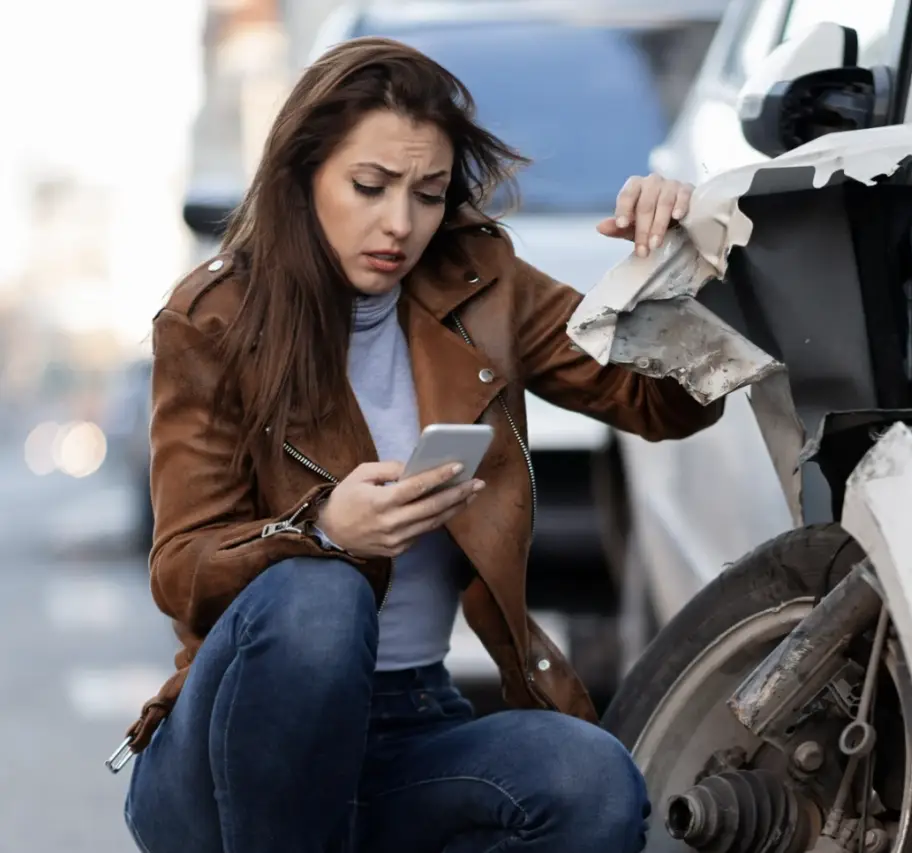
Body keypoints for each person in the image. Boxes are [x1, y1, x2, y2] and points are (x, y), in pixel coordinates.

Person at [120, 36, 724, 853]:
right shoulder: (214, 317)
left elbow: (663, 404)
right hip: (229, 751)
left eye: (429, 193)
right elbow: (181, 567)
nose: (399, 224)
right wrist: (327, 529)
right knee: (321, 597)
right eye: (369, 187)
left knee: (590, 780)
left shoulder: (481, 284)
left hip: (410, 724)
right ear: (303, 178)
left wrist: (677, 265)